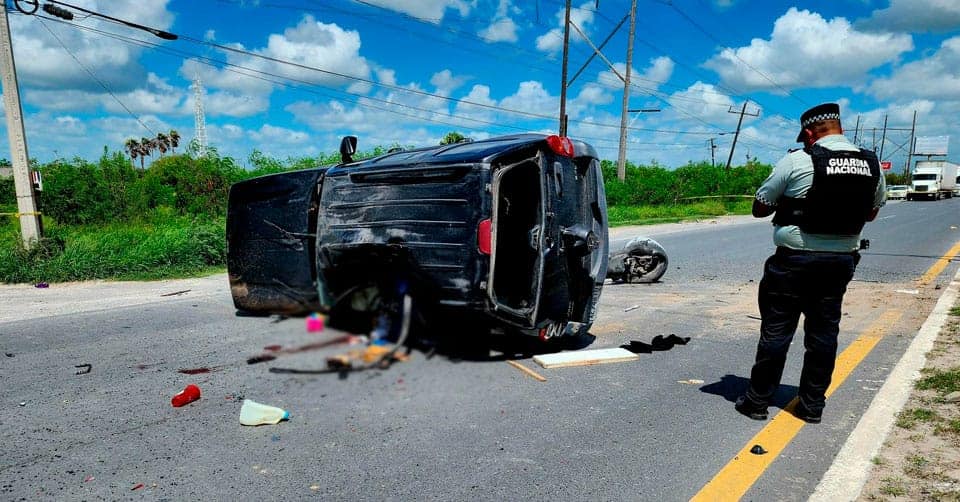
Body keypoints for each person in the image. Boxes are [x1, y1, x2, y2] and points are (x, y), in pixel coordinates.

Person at [734, 103, 886, 424]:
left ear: (808, 132)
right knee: (823, 334)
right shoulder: (872, 164)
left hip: (794, 262)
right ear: (839, 127)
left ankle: (757, 401)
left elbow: (760, 207)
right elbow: (871, 212)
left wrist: (793, 202)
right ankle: (812, 405)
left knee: (776, 332)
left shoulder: (798, 160)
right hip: (839, 263)